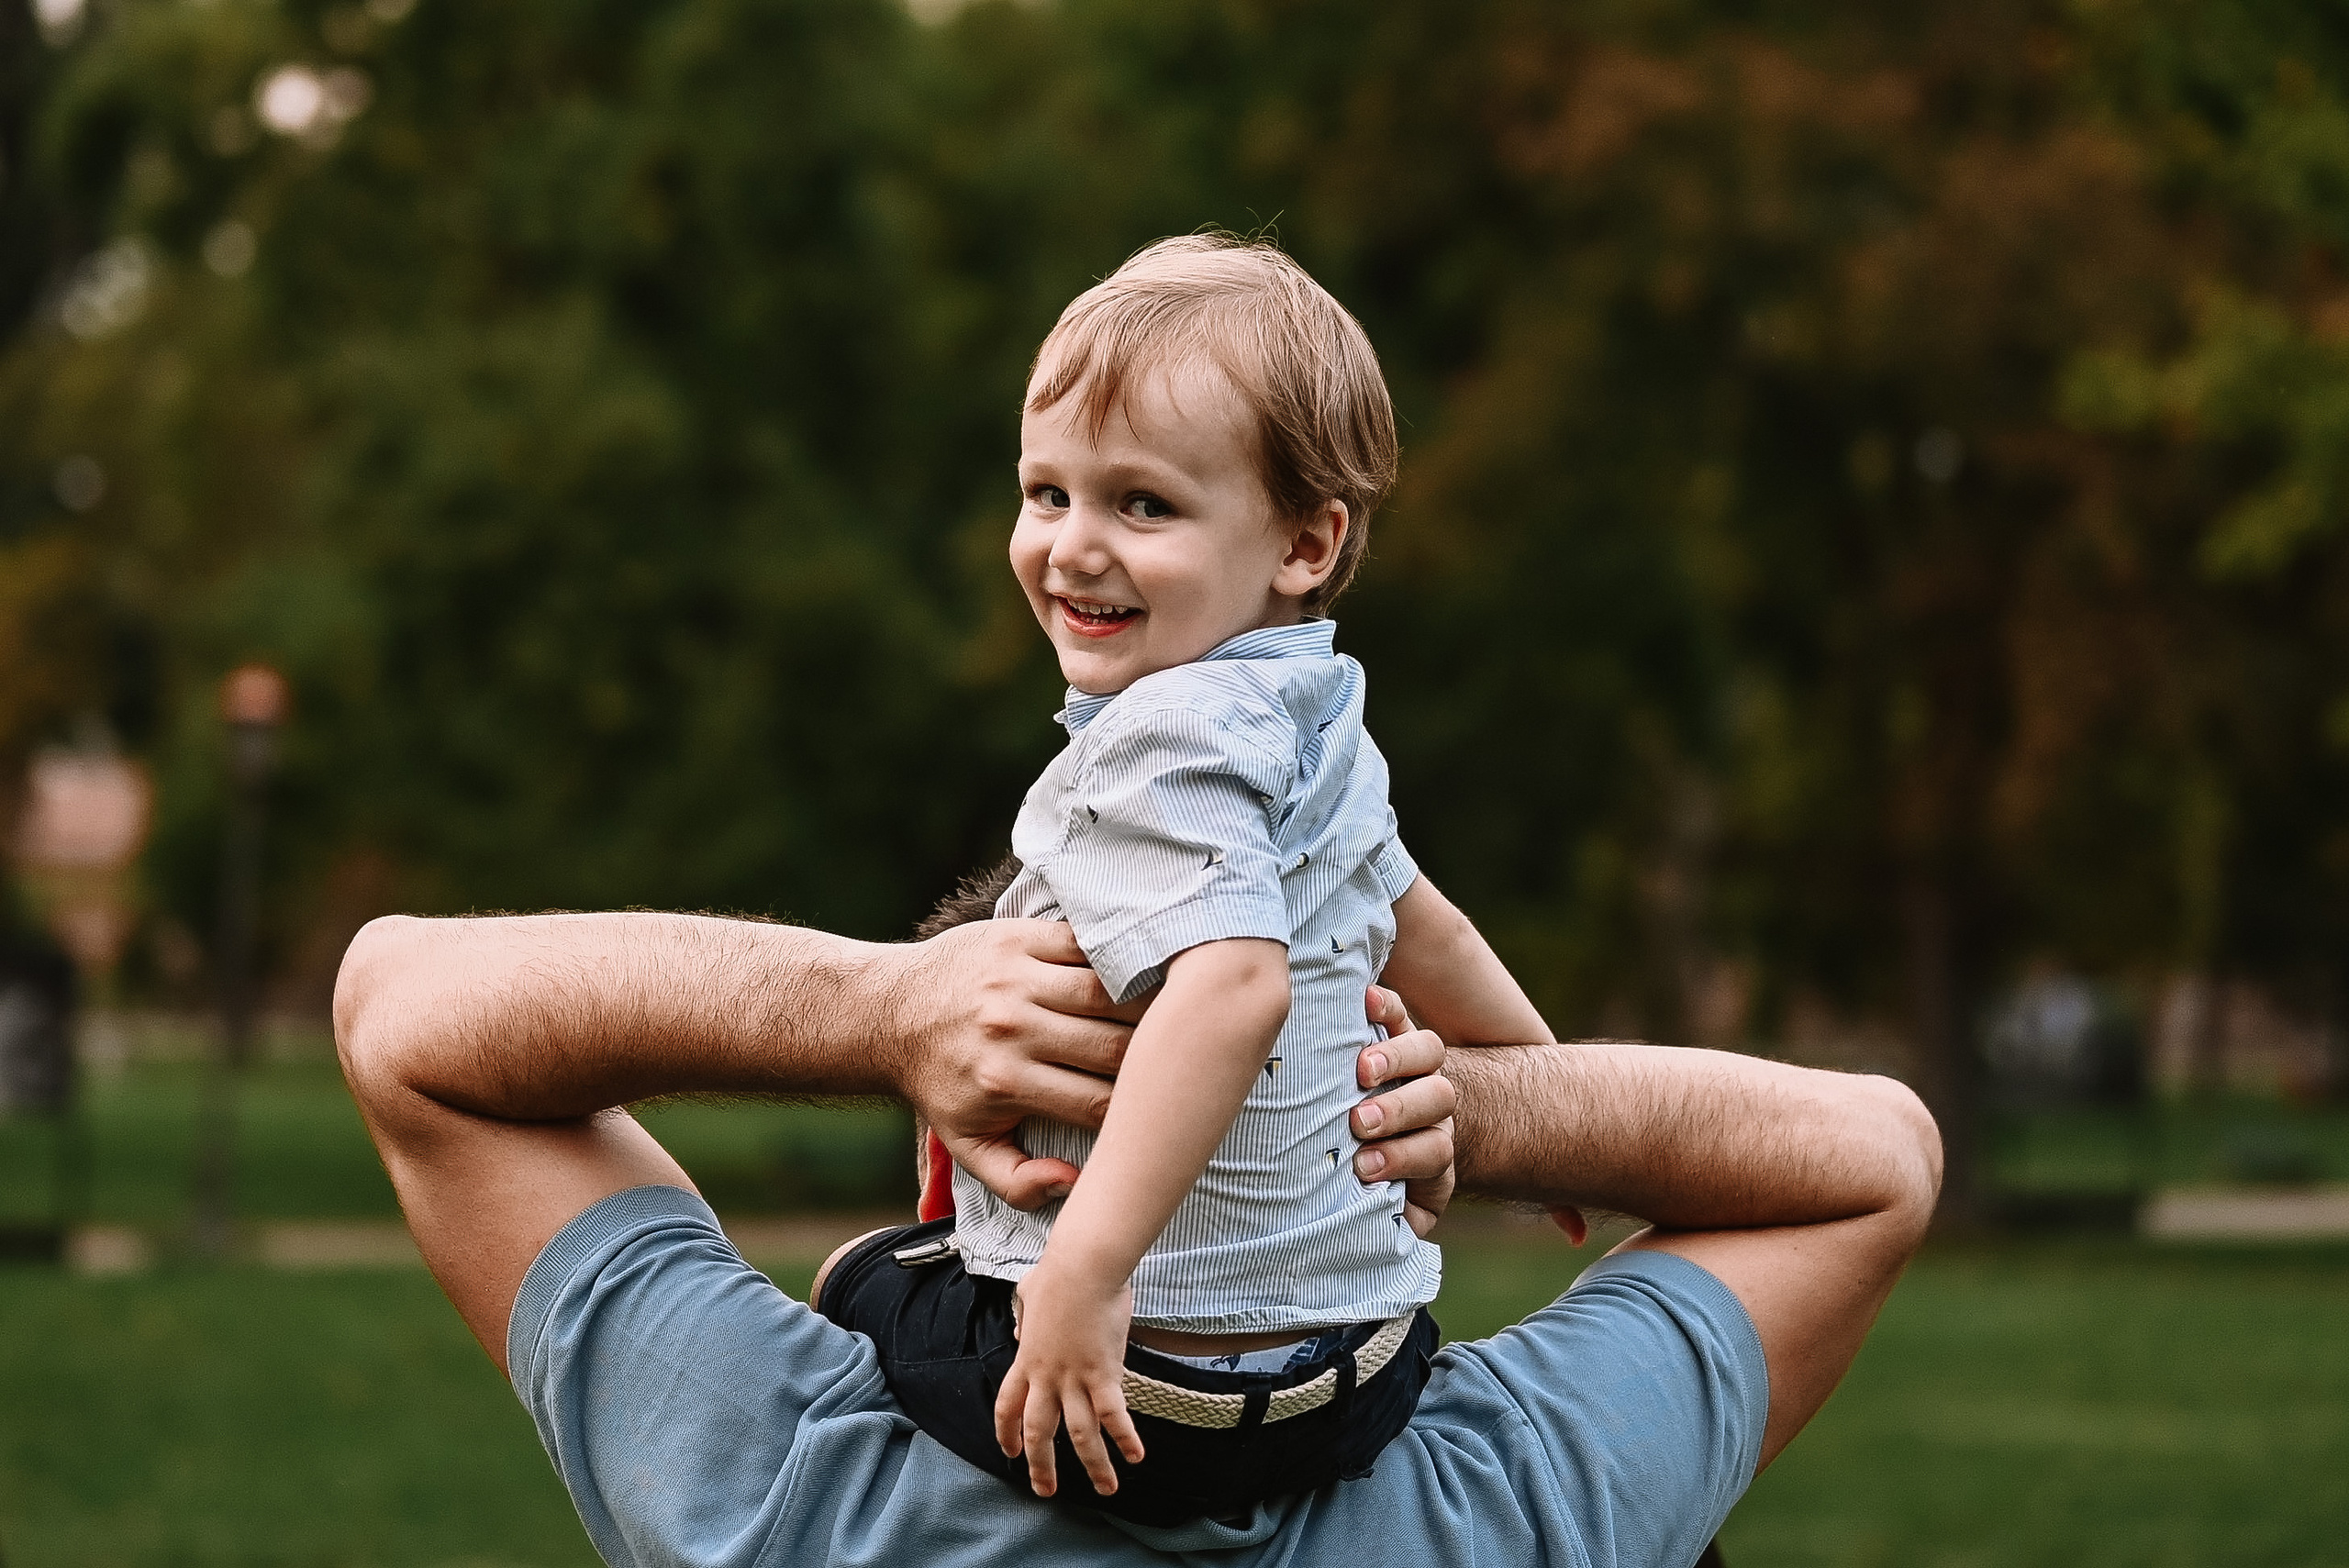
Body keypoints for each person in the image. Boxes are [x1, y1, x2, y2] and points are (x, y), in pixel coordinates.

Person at [334, 907, 1940, 1568]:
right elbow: (1873, 1157)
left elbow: (402, 1007)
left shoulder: (783, 1486)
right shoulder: (1506, 1508)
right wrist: (1452, 1107)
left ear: (941, 1181)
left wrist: (886, 1011)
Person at [817, 233, 1552, 1522]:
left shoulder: (1169, 735)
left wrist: (1089, 1270)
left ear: (1304, 543)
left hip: (1164, 1389)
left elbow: (1232, 990)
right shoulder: (1316, 710)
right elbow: (1412, 912)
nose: (1073, 547)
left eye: (1141, 505)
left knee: (858, 1280)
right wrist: (1535, 1091)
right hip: (1363, 1359)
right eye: (1047, 493)